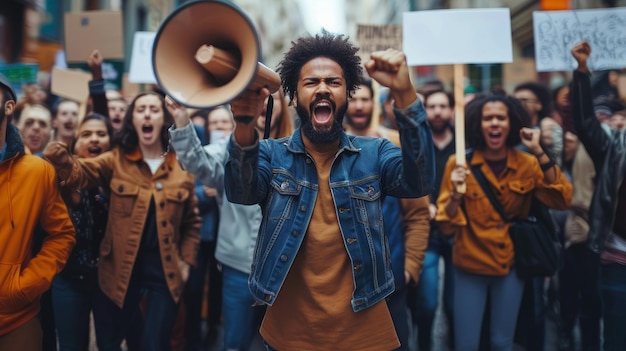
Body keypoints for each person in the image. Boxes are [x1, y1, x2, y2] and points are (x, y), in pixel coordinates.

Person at [223, 31, 435, 350]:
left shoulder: (375, 153)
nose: (323, 88)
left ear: (347, 95)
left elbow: (419, 181)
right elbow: (241, 192)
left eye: (333, 82)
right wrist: (243, 123)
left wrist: (405, 95)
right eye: (311, 82)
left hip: (365, 332)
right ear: (293, 97)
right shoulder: (271, 153)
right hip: (289, 333)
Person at [43, 91, 201, 351]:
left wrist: (186, 260)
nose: (147, 113)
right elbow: (81, 173)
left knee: (153, 343)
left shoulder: (180, 166)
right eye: (140, 109)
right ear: (132, 120)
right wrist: (62, 159)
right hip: (120, 270)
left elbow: (192, 222)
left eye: (154, 109)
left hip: (165, 270)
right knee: (112, 342)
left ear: (163, 119)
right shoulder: (116, 160)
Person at [435, 94, 572, 351]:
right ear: (478, 123)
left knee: (502, 342)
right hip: (470, 264)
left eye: (501, 117)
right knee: (466, 344)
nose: (494, 123)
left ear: (511, 123)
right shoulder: (459, 164)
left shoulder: (527, 163)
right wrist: (455, 193)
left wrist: (539, 151)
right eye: (488, 118)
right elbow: (445, 226)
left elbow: (562, 198)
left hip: (509, 265)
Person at [168, 94, 294, 350]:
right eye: (254, 98)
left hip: (288, 271)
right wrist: (181, 120)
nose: (260, 104)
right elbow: (197, 163)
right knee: (235, 343)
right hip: (239, 268)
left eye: (269, 99)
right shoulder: (227, 146)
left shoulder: (298, 150)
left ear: (284, 104)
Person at [344, 77, 431, 350]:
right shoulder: (325, 146)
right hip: (342, 285)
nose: (358, 105)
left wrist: (409, 269)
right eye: (353, 98)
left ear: (374, 103)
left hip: (391, 281)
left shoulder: (394, 142)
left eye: (364, 99)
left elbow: (417, 213)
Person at [0, 74, 76, 350]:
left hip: (17, 318)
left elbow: (62, 235)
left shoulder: (37, 171)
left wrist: (27, 285)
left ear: (9, 107)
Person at [570, 41, 626, 351]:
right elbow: (586, 123)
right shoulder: (614, 147)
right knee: (617, 337)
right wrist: (581, 71)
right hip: (618, 261)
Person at [51, 113, 114, 350]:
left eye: (101, 134)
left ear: (112, 141)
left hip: (109, 279)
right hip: (67, 278)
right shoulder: (58, 178)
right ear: (75, 143)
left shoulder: (123, 177)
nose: (94, 140)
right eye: (86, 135)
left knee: (110, 344)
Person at [412, 89, 456, 351]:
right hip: (426, 234)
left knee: (454, 304)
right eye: (432, 106)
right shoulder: (419, 142)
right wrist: (423, 204)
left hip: (456, 233)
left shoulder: (465, 145)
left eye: (443, 106)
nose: (437, 112)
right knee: (427, 303)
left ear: (452, 110)